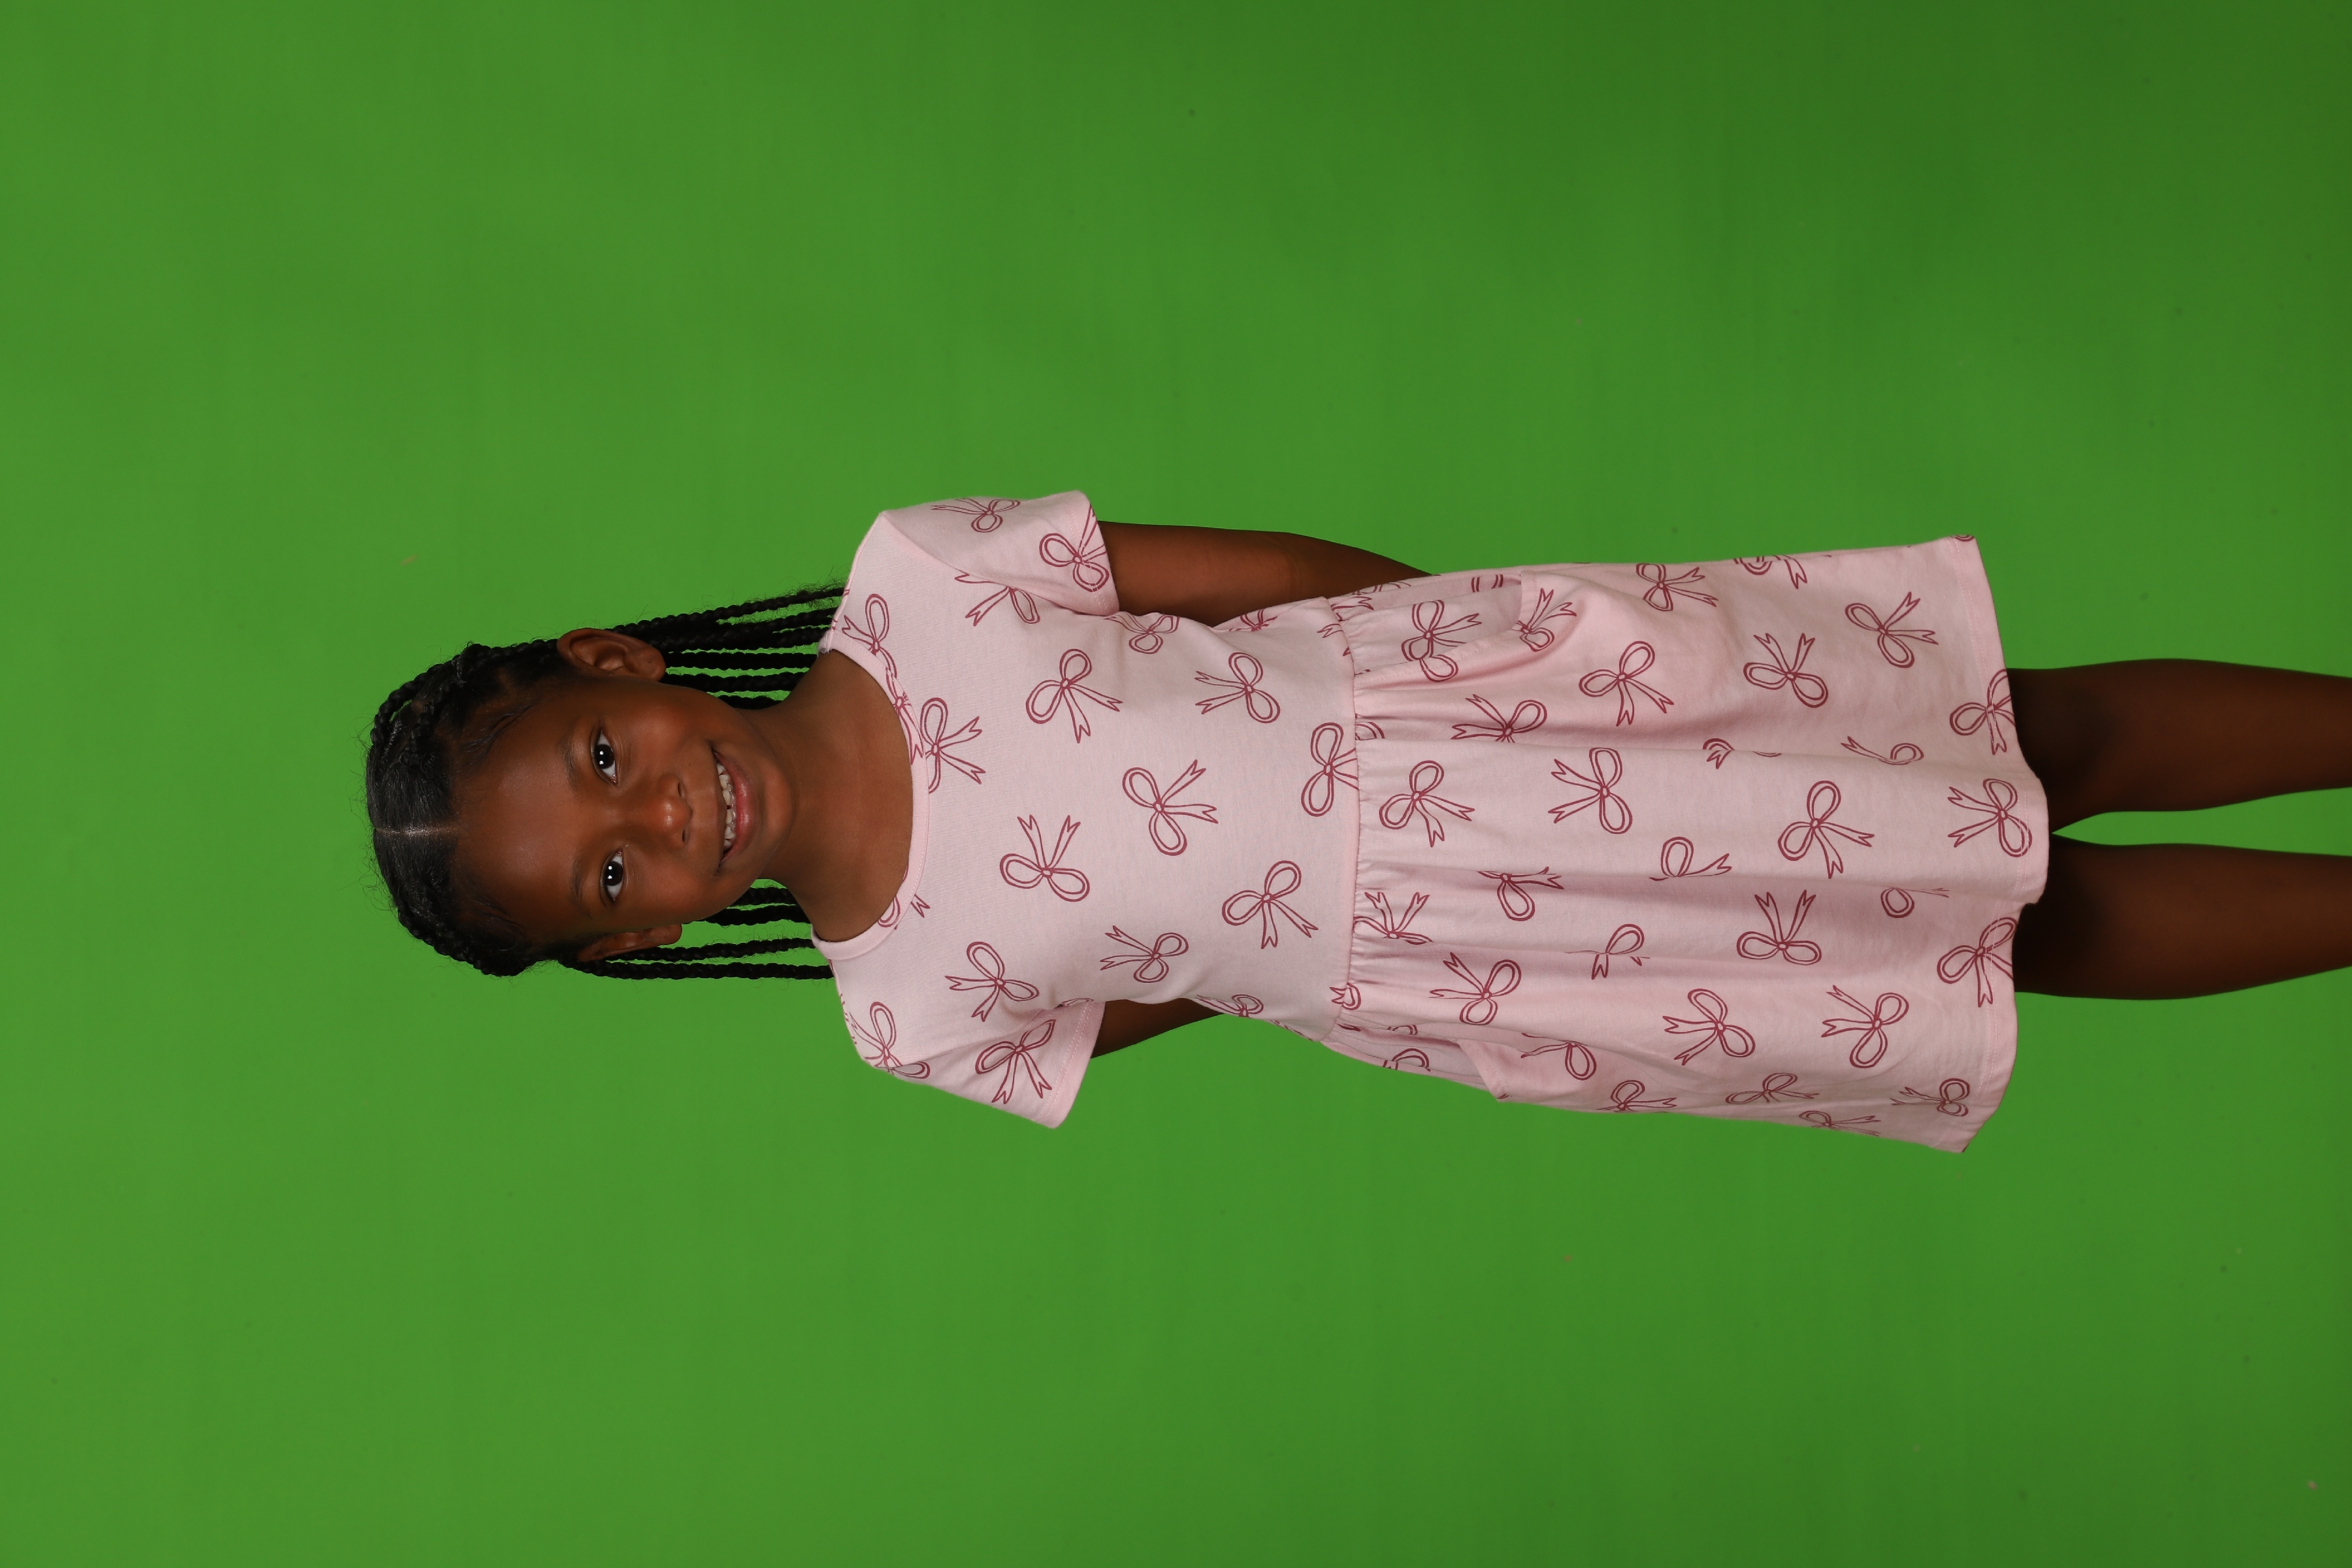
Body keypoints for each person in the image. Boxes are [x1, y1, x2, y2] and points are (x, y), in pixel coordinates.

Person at [365, 493, 2352, 1150]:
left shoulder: (924, 576)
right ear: (638, 935)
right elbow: (1179, 978)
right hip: (1486, 953)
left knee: (2022, 723)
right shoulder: (912, 1013)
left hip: (1490, 702)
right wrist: (1360, 928)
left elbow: (1250, 579)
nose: (661, 813)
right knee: (2015, 938)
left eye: (604, 756)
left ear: (615, 660)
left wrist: (1499, 658)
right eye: (613, 871)